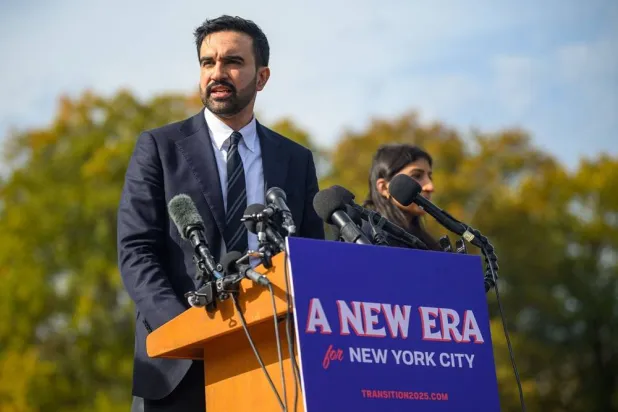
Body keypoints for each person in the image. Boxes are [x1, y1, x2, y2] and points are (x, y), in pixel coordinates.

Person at [117, 15, 324, 412]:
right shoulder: (159, 148)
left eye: (232, 62)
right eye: (207, 62)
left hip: (273, 362)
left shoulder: (296, 160)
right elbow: (136, 251)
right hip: (178, 365)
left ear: (261, 77)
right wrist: (189, 331)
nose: (217, 73)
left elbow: (310, 257)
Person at [362, 143, 442, 251]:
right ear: (384, 187)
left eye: (430, 176)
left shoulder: (428, 244)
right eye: (417, 176)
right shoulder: (363, 238)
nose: (430, 187)